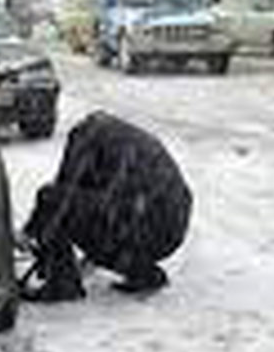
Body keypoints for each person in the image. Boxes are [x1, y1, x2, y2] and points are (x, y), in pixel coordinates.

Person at [20, 111, 193, 302]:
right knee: (105, 222)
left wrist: (33, 235)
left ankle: (62, 286)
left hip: (146, 218)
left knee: (51, 198)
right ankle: (143, 273)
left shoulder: (87, 137)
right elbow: (97, 206)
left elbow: (63, 194)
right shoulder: (122, 140)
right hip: (170, 228)